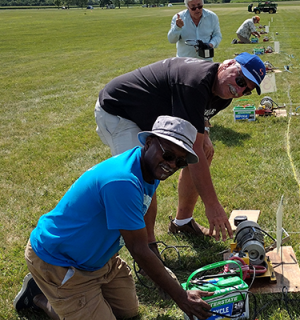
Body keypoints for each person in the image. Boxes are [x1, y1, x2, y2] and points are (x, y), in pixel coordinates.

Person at [13, 116, 214, 320]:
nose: (171, 165)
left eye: (180, 162)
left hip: (99, 261)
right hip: (60, 262)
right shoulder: (123, 182)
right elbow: (137, 248)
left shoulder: (148, 168)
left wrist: (156, 259)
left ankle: (78, 300)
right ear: (149, 142)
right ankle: (39, 296)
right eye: (169, 154)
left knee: (128, 312)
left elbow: (142, 222)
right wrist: (181, 296)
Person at [94, 52, 266, 243]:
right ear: (228, 64)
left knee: (204, 150)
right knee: (142, 175)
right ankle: (148, 247)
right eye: (241, 80)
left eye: (247, 90)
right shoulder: (195, 81)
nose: (239, 90)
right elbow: (194, 145)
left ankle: (182, 222)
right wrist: (212, 206)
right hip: (119, 111)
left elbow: (198, 116)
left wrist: (205, 132)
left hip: (147, 114)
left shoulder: (224, 94)